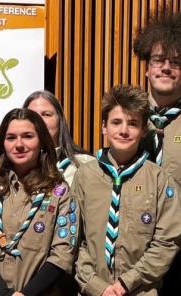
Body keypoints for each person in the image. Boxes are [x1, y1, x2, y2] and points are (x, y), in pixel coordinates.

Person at [74, 85, 181, 296]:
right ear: (104, 127)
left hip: (140, 291)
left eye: (133, 124)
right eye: (116, 122)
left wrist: (126, 283)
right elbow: (74, 240)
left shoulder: (159, 180)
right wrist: (98, 286)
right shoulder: (85, 176)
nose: (124, 130)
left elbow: (167, 242)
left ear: (143, 130)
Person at [0, 108, 77, 296]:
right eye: (11, 138)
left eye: (27, 136)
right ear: (3, 144)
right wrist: (3, 293)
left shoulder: (60, 192)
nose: (19, 144)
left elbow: (63, 254)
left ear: (41, 141)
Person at [133, 12, 181, 295]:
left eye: (175, 62)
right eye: (159, 61)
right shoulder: (128, 119)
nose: (166, 68)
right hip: (134, 249)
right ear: (147, 68)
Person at [22, 90, 93, 186]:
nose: (39, 121)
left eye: (47, 114)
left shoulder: (87, 165)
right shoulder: (5, 169)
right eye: (33, 116)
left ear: (60, 121)